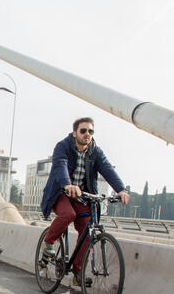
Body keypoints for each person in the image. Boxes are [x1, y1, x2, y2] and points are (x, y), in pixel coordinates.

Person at [38, 117, 130, 281]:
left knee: (89, 229)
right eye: (83, 131)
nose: (87, 134)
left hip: (81, 197)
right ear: (75, 133)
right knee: (68, 215)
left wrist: (121, 189)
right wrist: (67, 184)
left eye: (90, 131)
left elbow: (107, 169)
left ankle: (77, 271)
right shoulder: (63, 146)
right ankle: (48, 242)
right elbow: (60, 165)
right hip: (61, 193)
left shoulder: (96, 151)